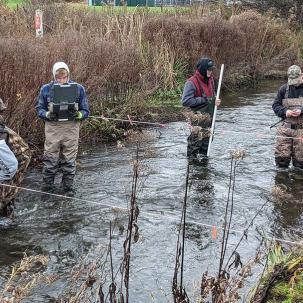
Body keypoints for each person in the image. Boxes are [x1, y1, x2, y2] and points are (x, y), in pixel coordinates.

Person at [36, 62, 89, 193]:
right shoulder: (46, 89)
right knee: (50, 161)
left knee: (69, 161)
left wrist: (79, 114)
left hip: (71, 129)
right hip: (52, 129)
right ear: (54, 76)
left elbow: (86, 111)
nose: (61, 80)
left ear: (68, 75)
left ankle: (67, 190)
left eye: (64, 77)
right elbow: (39, 109)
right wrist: (47, 114)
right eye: (58, 78)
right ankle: (47, 190)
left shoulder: (79, 88)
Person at [181, 57, 221, 159]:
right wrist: (204, 100)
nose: (210, 72)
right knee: (194, 147)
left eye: (212, 70)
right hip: (197, 120)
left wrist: (215, 100)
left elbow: (212, 96)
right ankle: (192, 167)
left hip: (210, 120)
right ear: (203, 69)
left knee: (207, 146)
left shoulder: (211, 80)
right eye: (209, 70)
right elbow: (185, 101)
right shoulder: (191, 82)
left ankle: (203, 169)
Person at [0, 98, 31, 217]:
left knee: (5, 197)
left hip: (17, 162)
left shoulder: (1, 134)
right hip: (8, 160)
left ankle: (10, 224)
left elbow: (11, 165)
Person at [272, 65, 303, 168]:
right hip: (285, 130)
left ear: (301, 76)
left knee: (300, 165)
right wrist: (286, 111)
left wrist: (301, 111)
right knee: (281, 163)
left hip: (301, 131)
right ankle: (281, 183)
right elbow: (275, 106)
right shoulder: (283, 89)